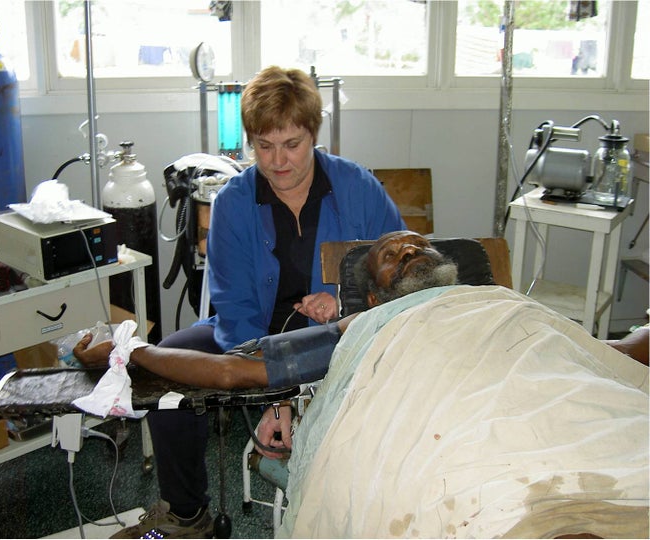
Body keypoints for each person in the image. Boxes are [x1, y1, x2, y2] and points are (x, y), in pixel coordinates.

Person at [100, 65, 406, 538]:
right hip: (252, 336)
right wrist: (272, 393)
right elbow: (235, 306)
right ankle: (186, 513)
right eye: (264, 146)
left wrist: (344, 306)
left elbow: (399, 280)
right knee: (165, 372)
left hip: (341, 337)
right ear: (250, 142)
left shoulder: (359, 188)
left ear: (313, 134)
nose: (278, 161)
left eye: (292, 145)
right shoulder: (233, 203)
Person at [75, 230, 648, 458]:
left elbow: (610, 355)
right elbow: (231, 372)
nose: (409, 250)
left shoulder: (502, 303)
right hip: (467, 435)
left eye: (418, 246)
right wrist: (129, 352)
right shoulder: (363, 327)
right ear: (373, 298)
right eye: (391, 255)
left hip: (559, 407)